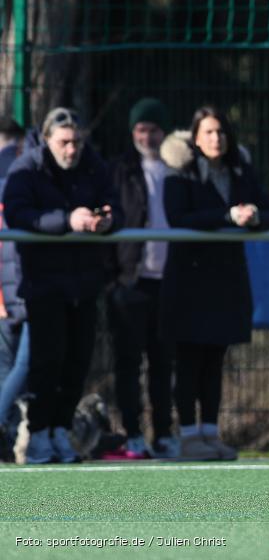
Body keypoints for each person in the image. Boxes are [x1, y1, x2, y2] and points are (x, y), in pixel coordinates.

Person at [2, 107, 124, 464]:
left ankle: (59, 430)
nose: (72, 150)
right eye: (65, 142)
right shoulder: (27, 169)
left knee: (77, 360)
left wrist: (106, 220)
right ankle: (37, 434)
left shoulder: (92, 165)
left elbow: (115, 204)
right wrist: (67, 221)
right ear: (48, 139)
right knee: (45, 362)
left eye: (77, 142)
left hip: (84, 281)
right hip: (43, 283)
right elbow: (19, 214)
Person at [160, 106, 269, 461]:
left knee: (215, 359)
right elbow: (177, 216)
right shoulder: (179, 173)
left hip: (227, 278)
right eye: (209, 132)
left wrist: (255, 217)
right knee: (189, 359)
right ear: (195, 137)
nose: (216, 138)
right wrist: (226, 217)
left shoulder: (240, 170)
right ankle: (187, 436)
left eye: (222, 132)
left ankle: (210, 433)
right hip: (189, 279)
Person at [104, 98, 178, 460]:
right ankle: (132, 433)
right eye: (140, 129)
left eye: (153, 129)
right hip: (130, 281)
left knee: (163, 364)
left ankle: (164, 433)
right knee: (128, 363)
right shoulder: (118, 169)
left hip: (169, 282)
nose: (146, 136)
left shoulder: (179, 168)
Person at [0, 117, 29, 460]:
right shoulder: (19, 174)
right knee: (23, 365)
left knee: (10, 366)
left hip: (11, 290)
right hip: (18, 288)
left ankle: (9, 439)